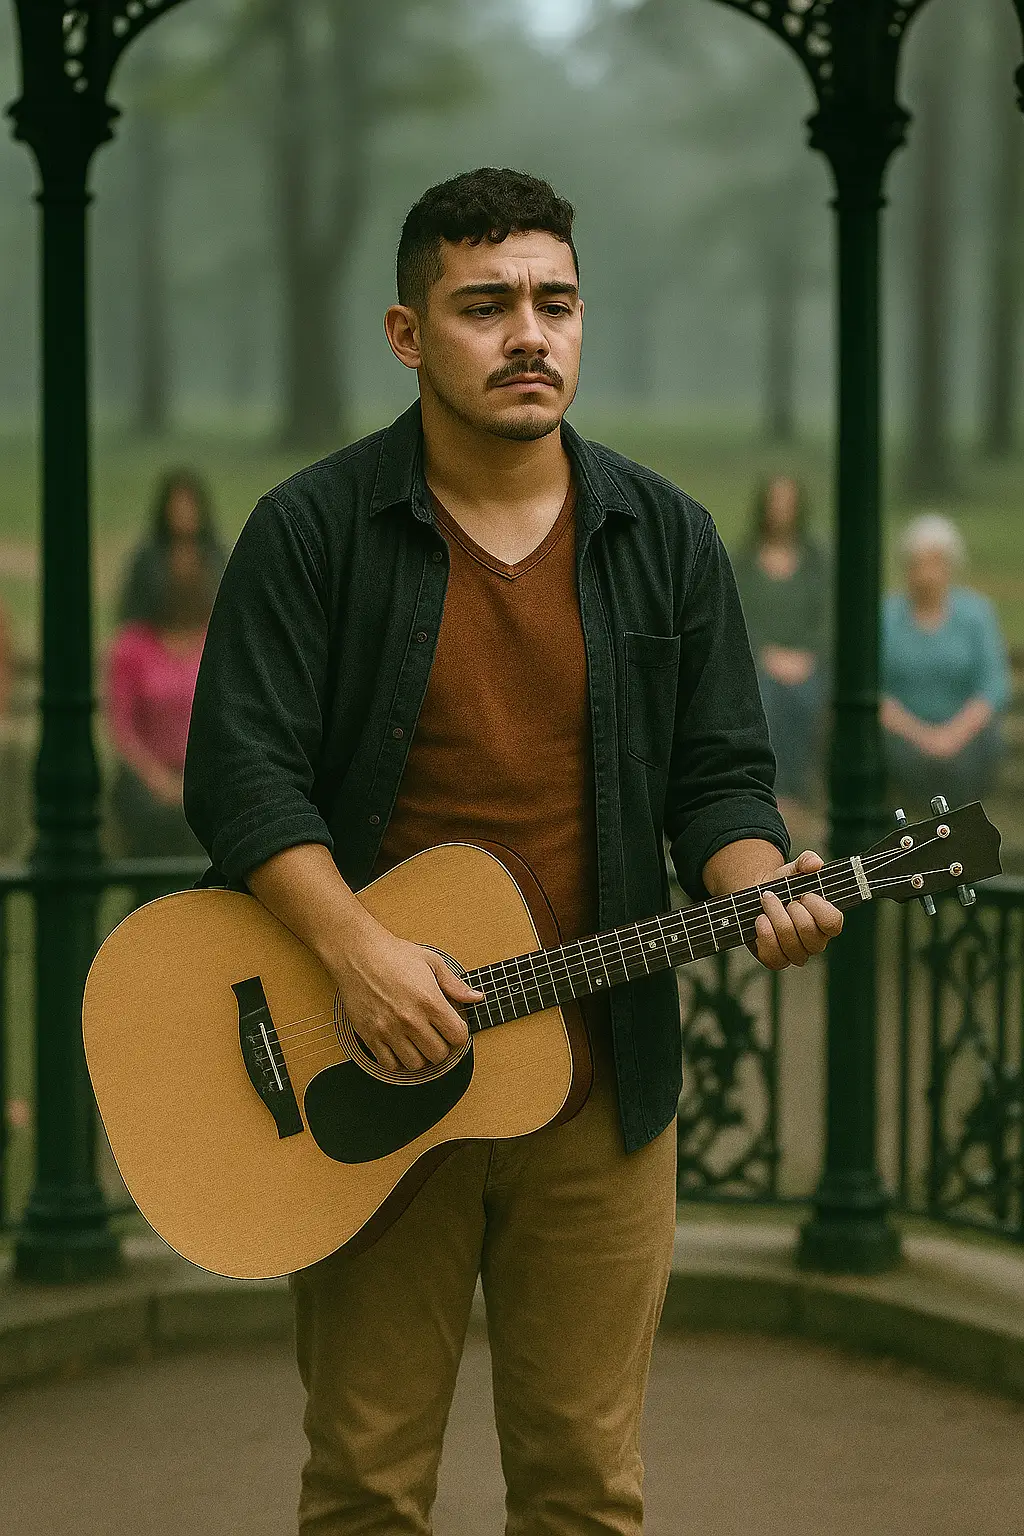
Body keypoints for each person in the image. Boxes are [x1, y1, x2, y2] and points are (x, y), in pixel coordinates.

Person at [183, 167, 844, 1535]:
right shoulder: (314, 532)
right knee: (366, 1485)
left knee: (585, 1490)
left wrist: (755, 879)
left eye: (556, 302)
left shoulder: (664, 537)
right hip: (366, 1086)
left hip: (601, 1088)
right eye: (485, 306)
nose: (529, 334)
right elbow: (239, 776)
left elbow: (722, 777)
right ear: (408, 334)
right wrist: (357, 953)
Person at [882, 513, 1010, 810]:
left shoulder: (976, 614)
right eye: (918, 563)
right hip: (903, 736)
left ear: (951, 566)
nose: (927, 574)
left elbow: (993, 684)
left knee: (975, 755)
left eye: (935, 562)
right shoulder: (887, 616)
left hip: (964, 736)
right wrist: (921, 735)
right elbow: (875, 690)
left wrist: (953, 735)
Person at [107, 542, 214, 856]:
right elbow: (122, 728)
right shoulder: (132, 647)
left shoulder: (217, 640)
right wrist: (156, 778)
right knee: (155, 820)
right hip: (145, 780)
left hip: (204, 776)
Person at [732, 475, 829, 815]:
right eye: (775, 501)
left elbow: (827, 617)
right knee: (764, 699)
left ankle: (800, 789)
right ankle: (772, 787)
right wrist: (766, 654)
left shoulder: (817, 562)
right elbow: (735, 616)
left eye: (788, 502)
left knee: (806, 697)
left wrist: (805, 656)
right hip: (758, 663)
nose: (781, 510)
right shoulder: (742, 562)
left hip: (809, 662)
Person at [117, 468, 226, 627]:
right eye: (177, 505)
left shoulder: (216, 557)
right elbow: (133, 615)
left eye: (189, 505)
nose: (183, 512)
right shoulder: (147, 561)